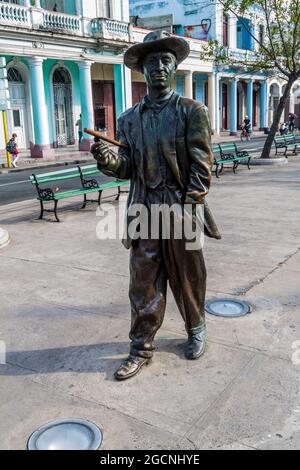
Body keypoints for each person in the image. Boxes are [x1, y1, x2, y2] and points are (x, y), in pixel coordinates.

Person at [91, 31, 221, 381]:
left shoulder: (193, 112)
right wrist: (107, 161)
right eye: (152, 63)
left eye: (166, 61)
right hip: (144, 212)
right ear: (142, 71)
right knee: (143, 282)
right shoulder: (128, 120)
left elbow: (201, 166)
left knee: (189, 275)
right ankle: (140, 347)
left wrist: (190, 205)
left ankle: (196, 327)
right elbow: (127, 167)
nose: (160, 68)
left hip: (182, 210)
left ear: (175, 67)